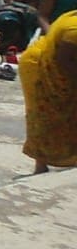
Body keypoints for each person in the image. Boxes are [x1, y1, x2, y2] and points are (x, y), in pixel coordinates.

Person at [19, 9, 77, 174]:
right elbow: (65, 60)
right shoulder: (74, 30)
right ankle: (41, 165)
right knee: (43, 116)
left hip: (59, 65)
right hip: (40, 67)